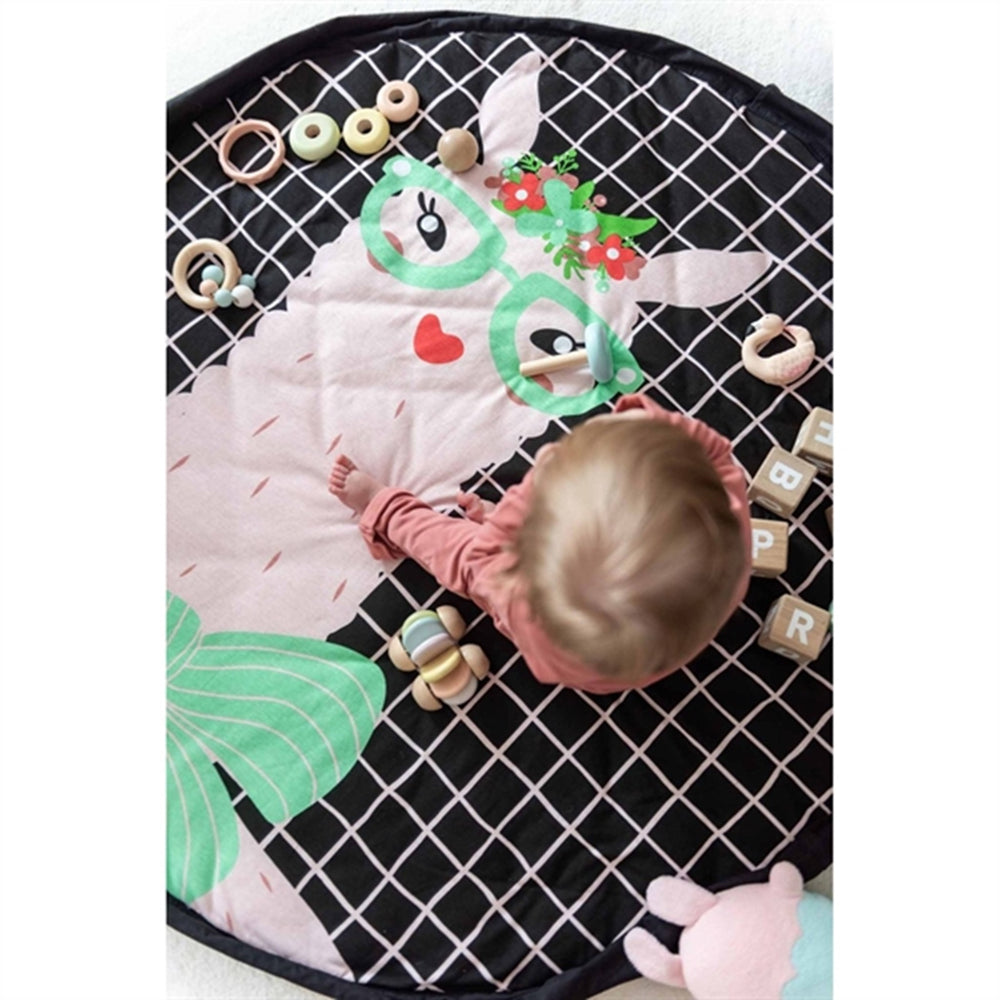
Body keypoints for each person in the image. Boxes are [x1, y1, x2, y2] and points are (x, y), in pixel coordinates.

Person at [329, 393, 751, 695]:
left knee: (456, 553)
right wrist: (641, 420)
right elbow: (710, 449)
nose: (547, 456)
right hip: (654, 649)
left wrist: (503, 519)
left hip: (574, 648)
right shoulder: (727, 512)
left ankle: (384, 510)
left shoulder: (538, 624)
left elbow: (476, 555)